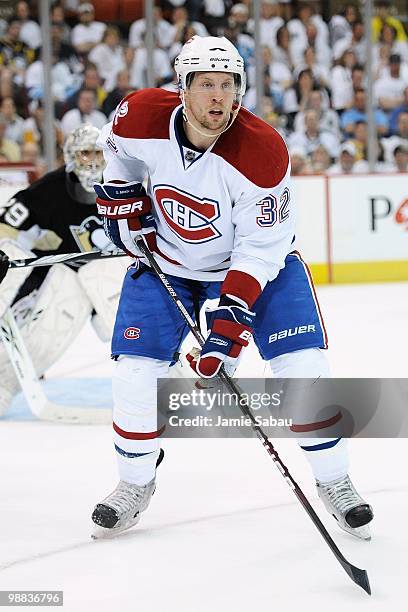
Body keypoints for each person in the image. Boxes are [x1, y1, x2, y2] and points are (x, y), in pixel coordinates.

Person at [91, 35, 373, 540]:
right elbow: (120, 163)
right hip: (170, 262)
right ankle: (134, 482)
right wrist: (122, 204)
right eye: (206, 85)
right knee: (135, 374)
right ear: (182, 88)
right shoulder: (138, 116)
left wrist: (226, 331)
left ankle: (335, 480)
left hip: (257, 265)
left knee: (304, 368)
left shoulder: (262, 151)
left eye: (228, 85)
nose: (219, 97)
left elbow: (258, 252)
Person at [0, 125, 120, 417]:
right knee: (36, 333)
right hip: (61, 276)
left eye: (99, 153)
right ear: (70, 156)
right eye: (85, 153)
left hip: (109, 276)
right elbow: (7, 222)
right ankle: (4, 384)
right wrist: (29, 241)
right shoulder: (51, 188)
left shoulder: (124, 183)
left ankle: (165, 384)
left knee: (137, 333)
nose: (92, 161)